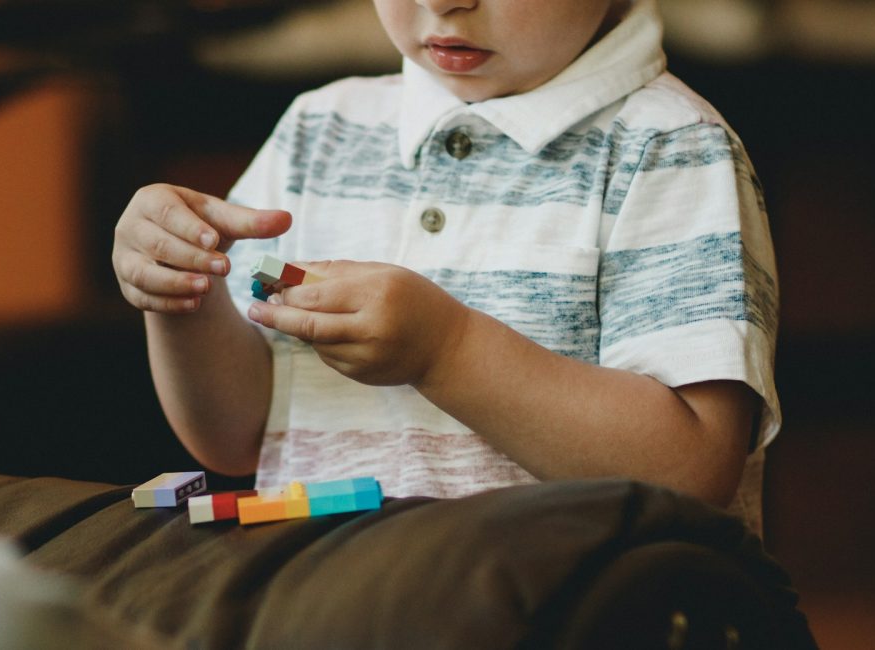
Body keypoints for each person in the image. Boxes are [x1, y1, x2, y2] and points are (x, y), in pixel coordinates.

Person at [112, 0, 780, 532]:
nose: (444, 3)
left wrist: (447, 350)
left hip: (577, 614)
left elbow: (692, 469)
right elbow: (238, 438)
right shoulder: (320, 129)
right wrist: (184, 297)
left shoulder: (670, 148)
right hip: (326, 605)